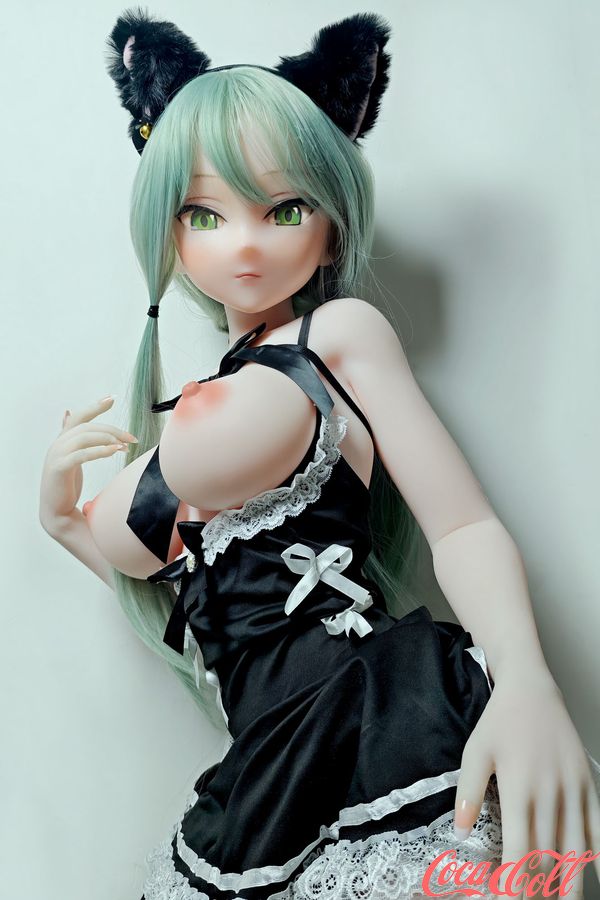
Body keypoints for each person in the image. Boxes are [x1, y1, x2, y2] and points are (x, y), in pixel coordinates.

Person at [39, 9, 600, 899]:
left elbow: (461, 524)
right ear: (170, 229)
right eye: (204, 212)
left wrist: (527, 679)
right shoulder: (190, 408)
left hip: (378, 720)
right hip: (265, 770)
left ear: (331, 224)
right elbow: (180, 602)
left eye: (285, 208)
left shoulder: (336, 336)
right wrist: (64, 518)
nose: (245, 241)